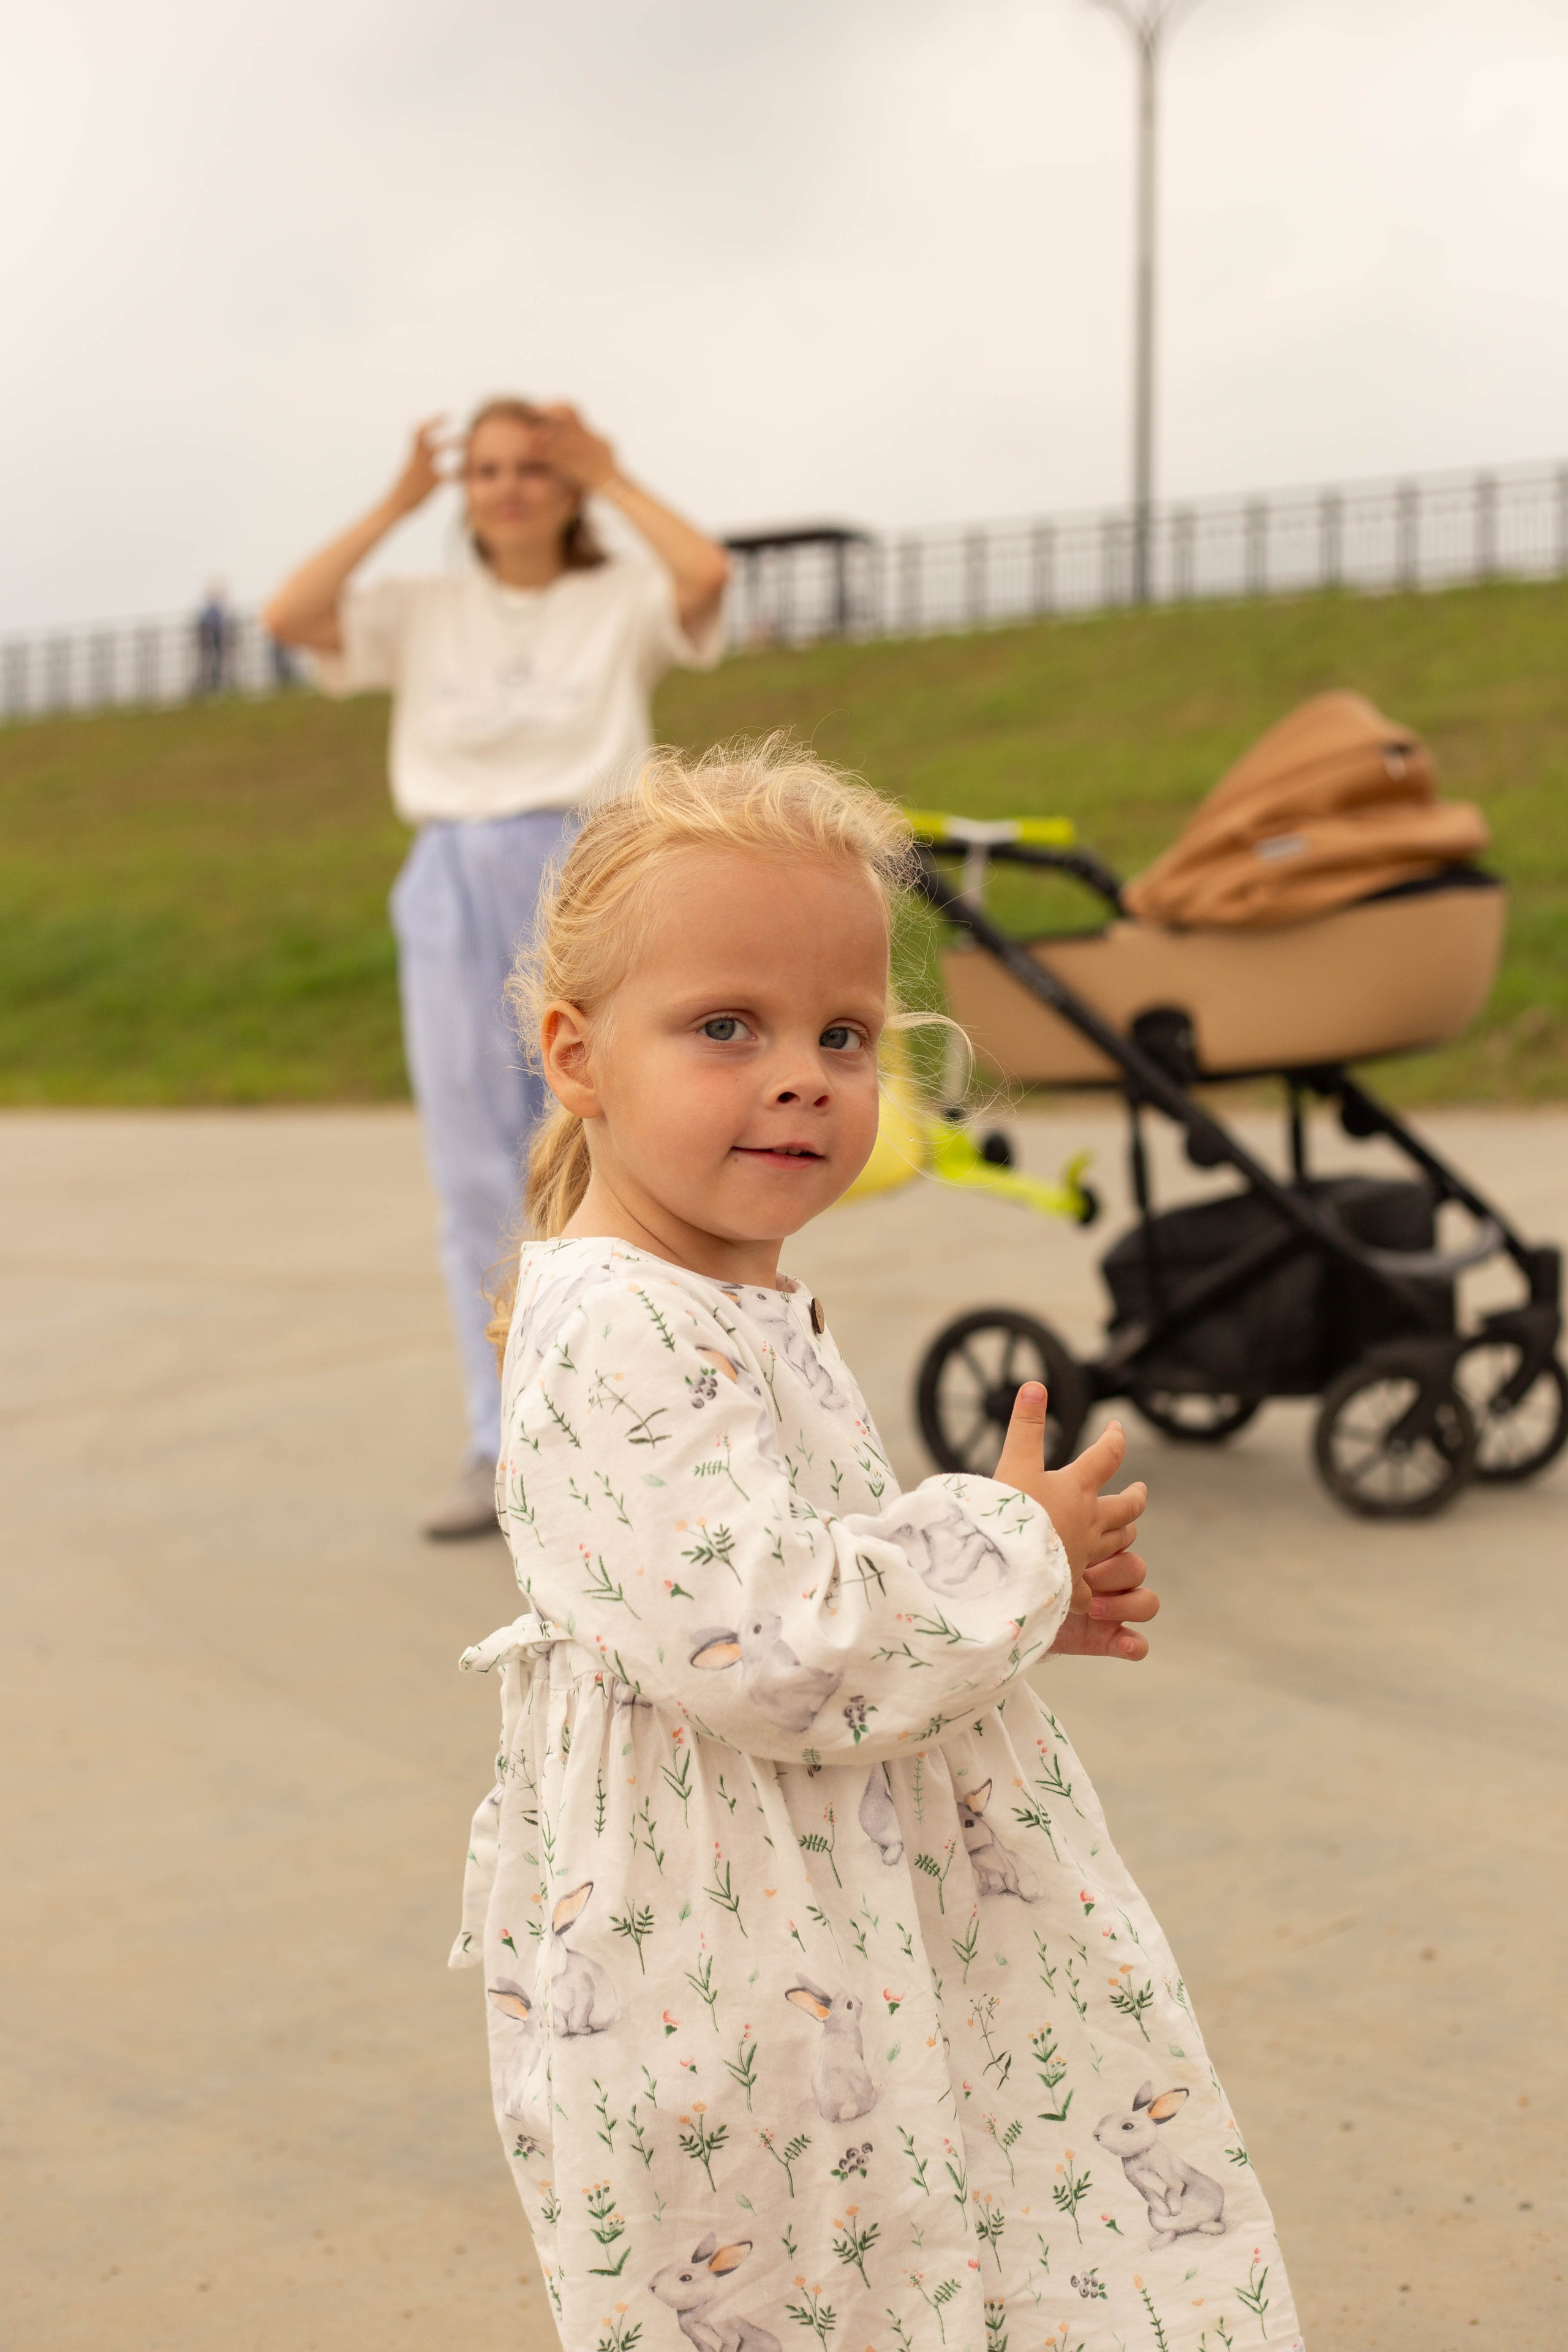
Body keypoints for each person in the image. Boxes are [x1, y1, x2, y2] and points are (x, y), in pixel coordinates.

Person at [451, 742, 1304, 2352]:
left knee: (941, 2233)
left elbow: (794, 1582)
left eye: (842, 1033)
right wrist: (1001, 1542)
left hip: (823, 1902)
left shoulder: (721, 1293)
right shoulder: (624, 1323)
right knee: (800, 2271)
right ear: (578, 1056)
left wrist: (1011, 1606)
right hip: (731, 1948)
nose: (803, 1074)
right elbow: (768, 1652)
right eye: (727, 1027)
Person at [265, 402, 730, 1537]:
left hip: (591, 866)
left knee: (619, 1142)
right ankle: (504, 1439)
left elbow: (704, 573)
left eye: (533, 468)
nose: (509, 488)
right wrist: (396, 501)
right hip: (456, 870)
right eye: (486, 471)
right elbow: (291, 615)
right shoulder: (424, 607)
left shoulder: (614, 596)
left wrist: (612, 474)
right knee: (478, 1167)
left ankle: (662, 1432)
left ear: (568, 483)